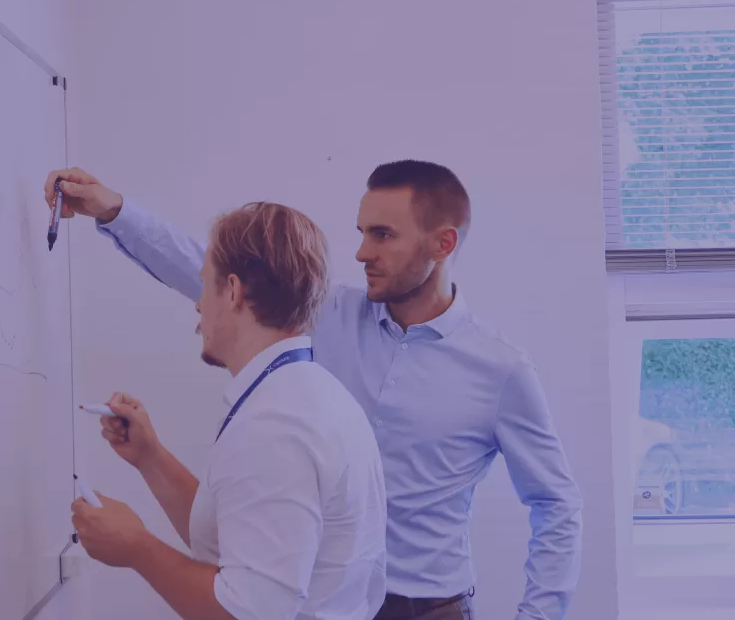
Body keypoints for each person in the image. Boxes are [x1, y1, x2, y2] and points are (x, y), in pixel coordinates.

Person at [48, 160, 583, 620]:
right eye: (361, 231)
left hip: (428, 608)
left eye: (382, 235)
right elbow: (215, 273)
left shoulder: (501, 370)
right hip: (319, 595)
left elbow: (557, 504)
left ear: (443, 243)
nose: (361, 252)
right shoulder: (325, 316)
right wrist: (113, 209)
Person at [70, 202, 388, 620]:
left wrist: (137, 547)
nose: (198, 306)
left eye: (205, 286)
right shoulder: (306, 394)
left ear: (234, 291)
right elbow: (237, 538)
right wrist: (151, 458)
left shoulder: (276, 427)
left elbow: (247, 614)